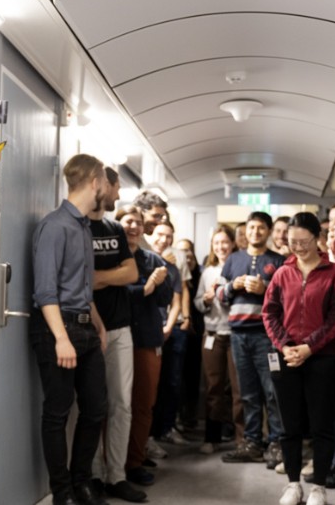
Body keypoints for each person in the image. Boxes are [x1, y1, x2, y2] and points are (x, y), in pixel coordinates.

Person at [30, 153, 110, 505]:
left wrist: (98, 324)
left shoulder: (83, 227)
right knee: (57, 412)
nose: (107, 189)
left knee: (96, 409)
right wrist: (61, 339)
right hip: (57, 328)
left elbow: (81, 286)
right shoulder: (55, 226)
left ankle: (82, 483)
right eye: (106, 182)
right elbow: (45, 291)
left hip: (85, 329)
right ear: (95, 181)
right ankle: (62, 492)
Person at [263, 212, 335, 505]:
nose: (297, 247)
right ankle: (292, 484)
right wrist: (285, 345)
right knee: (289, 426)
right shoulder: (282, 273)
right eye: (292, 242)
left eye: (303, 241)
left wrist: (309, 347)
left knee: (322, 424)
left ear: (317, 239)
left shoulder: (334, 273)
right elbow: (270, 312)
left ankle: (319, 487)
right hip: (285, 357)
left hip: (321, 357)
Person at [89, 168, 144, 503]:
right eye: (116, 186)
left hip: (121, 328)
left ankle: (116, 476)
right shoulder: (77, 225)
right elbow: (80, 279)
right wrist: (115, 275)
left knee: (122, 405)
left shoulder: (115, 228)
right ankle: (93, 474)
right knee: (93, 405)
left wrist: (101, 276)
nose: (119, 194)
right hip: (88, 328)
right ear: (102, 185)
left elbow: (132, 272)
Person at [218, 211, 286, 467]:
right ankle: (252, 442)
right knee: (247, 393)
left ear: (268, 231)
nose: (255, 232)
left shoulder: (278, 261)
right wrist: (233, 286)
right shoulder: (233, 259)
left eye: (260, 228)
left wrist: (265, 289)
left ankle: (277, 443)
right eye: (251, 227)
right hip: (238, 336)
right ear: (245, 230)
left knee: (272, 392)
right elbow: (220, 296)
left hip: (266, 337)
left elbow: (288, 300)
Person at [116, 205, 174, 489]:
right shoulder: (109, 257)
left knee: (143, 406)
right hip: (117, 335)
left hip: (147, 340)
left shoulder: (152, 258)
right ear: (118, 224)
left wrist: (159, 282)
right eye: (129, 221)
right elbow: (117, 295)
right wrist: (146, 288)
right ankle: (112, 463)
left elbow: (164, 299)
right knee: (116, 404)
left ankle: (134, 462)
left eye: (138, 223)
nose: (134, 227)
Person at [194, 225, 244, 455]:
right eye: (217, 243)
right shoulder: (207, 271)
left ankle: (241, 439)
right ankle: (211, 437)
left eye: (225, 242)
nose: (221, 247)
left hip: (236, 335)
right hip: (212, 335)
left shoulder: (240, 267)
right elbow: (197, 303)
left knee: (238, 390)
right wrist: (205, 300)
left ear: (232, 243)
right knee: (213, 388)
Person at [148, 221, 191, 446]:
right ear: (151, 234)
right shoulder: (141, 261)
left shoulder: (171, 268)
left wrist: (168, 327)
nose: (163, 240)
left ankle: (165, 429)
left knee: (171, 382)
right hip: (145, 332)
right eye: (160, 235)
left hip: (168, 329)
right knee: (148, 385)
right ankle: (148, 435)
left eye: (168, 237)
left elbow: (176, 301)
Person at [174, 238, 204, 433]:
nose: (187, 255)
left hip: (199, 333)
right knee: (177, 377)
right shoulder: (175, 273)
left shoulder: (201, 274)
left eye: (189, 251)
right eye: (182, 251)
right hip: (180, 329)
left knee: (193, 377)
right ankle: (178, 419)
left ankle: (190, 418)